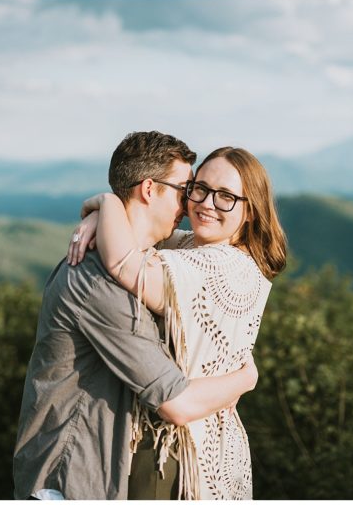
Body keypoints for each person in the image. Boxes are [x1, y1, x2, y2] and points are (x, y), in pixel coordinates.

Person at [13, 132, 259, 500]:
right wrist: (246, 377)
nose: (192, 202)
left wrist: (103, 208)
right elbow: (176, 402)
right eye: (186, 188)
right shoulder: (97, 280)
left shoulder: (159, 263)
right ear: (148, 189)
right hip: (69, 483)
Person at [69, 146, 287, 500]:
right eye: (198, 189)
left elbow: (127, 264)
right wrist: (99, 217)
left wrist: (106, 204)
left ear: (250, 211)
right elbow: (139, 233)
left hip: (184, 456)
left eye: (227, 197)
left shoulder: (224, 268)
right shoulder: (192, 246)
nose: (207, 203)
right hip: (175, 443)